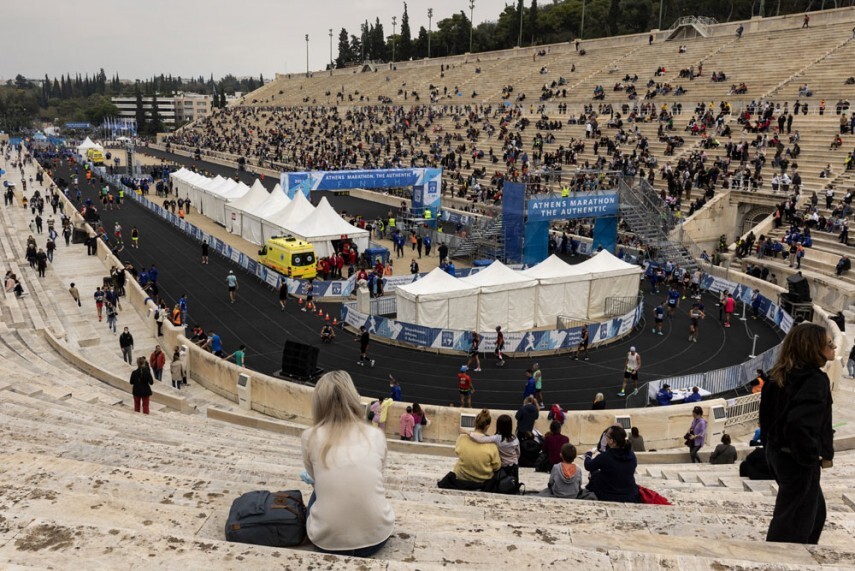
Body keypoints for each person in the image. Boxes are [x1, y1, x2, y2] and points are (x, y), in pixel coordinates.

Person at [300, 371, 394, 557]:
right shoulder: (376, 435)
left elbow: (314, 477)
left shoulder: (309, 437)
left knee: (318, 487)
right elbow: (378, 473)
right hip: (377, 538)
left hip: (326, 542)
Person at [759, 323, 835, 545]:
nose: (834, 347)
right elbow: (799, 424)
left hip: (777, 454)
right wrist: (810, 457)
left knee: (815, 512)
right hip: (796, 459)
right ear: (813, 348)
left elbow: (765, 418)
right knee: (793, 523)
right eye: (829, 343)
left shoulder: (777, 376)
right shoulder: (814, 381)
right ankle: (782, 559)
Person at [584, 425, 641, 502]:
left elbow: (588, 466)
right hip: (630, 493)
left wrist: (588, 455)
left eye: (606, 435)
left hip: (609, 495)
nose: (605, 437)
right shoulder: (631, 455)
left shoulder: (605, 457)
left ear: (611, 441)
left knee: (594, 474)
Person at [447, 409, 501, 488]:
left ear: (475, 423)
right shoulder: (492, 445)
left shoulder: (462, 438)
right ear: (488, 426)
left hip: (461, 477)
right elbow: (497, 466)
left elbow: (458, 452)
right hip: (483, 480)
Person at [467, 414, 520, 480]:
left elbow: (480, 439)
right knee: (514, 482)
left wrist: (469, 433)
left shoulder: (497, 438)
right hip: (514, 465)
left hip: (503, 466)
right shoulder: (515, 439)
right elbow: (518, 453)